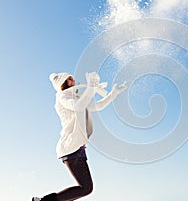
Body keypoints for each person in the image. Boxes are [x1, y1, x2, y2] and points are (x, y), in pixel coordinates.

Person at [32, 72, 126, 201]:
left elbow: (99, 105)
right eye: (69, 79)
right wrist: (92, 88)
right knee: (86, 188)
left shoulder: (77, 97)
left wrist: (114, 93)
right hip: (70, 146)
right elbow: (78, 106)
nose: (73, 80)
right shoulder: (63, 96)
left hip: (77, 147)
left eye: (72, 78)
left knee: (85, 188)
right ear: (62, 82)